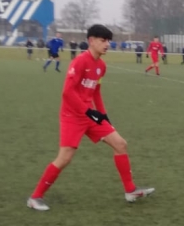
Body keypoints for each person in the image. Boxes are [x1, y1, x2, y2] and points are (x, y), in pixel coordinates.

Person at [27, 23, 154, 212]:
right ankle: (35, 197)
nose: (107, 44)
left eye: (108, 41)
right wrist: (89, 112)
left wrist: (104, 115)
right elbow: (67, 93)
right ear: (91, 41)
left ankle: (130, 191)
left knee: (120, 144)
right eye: (103, 40)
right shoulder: (79, 62)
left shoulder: (101, 66)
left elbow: (96, 92)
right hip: (72, 116)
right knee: (65, 158)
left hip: (90, 116)